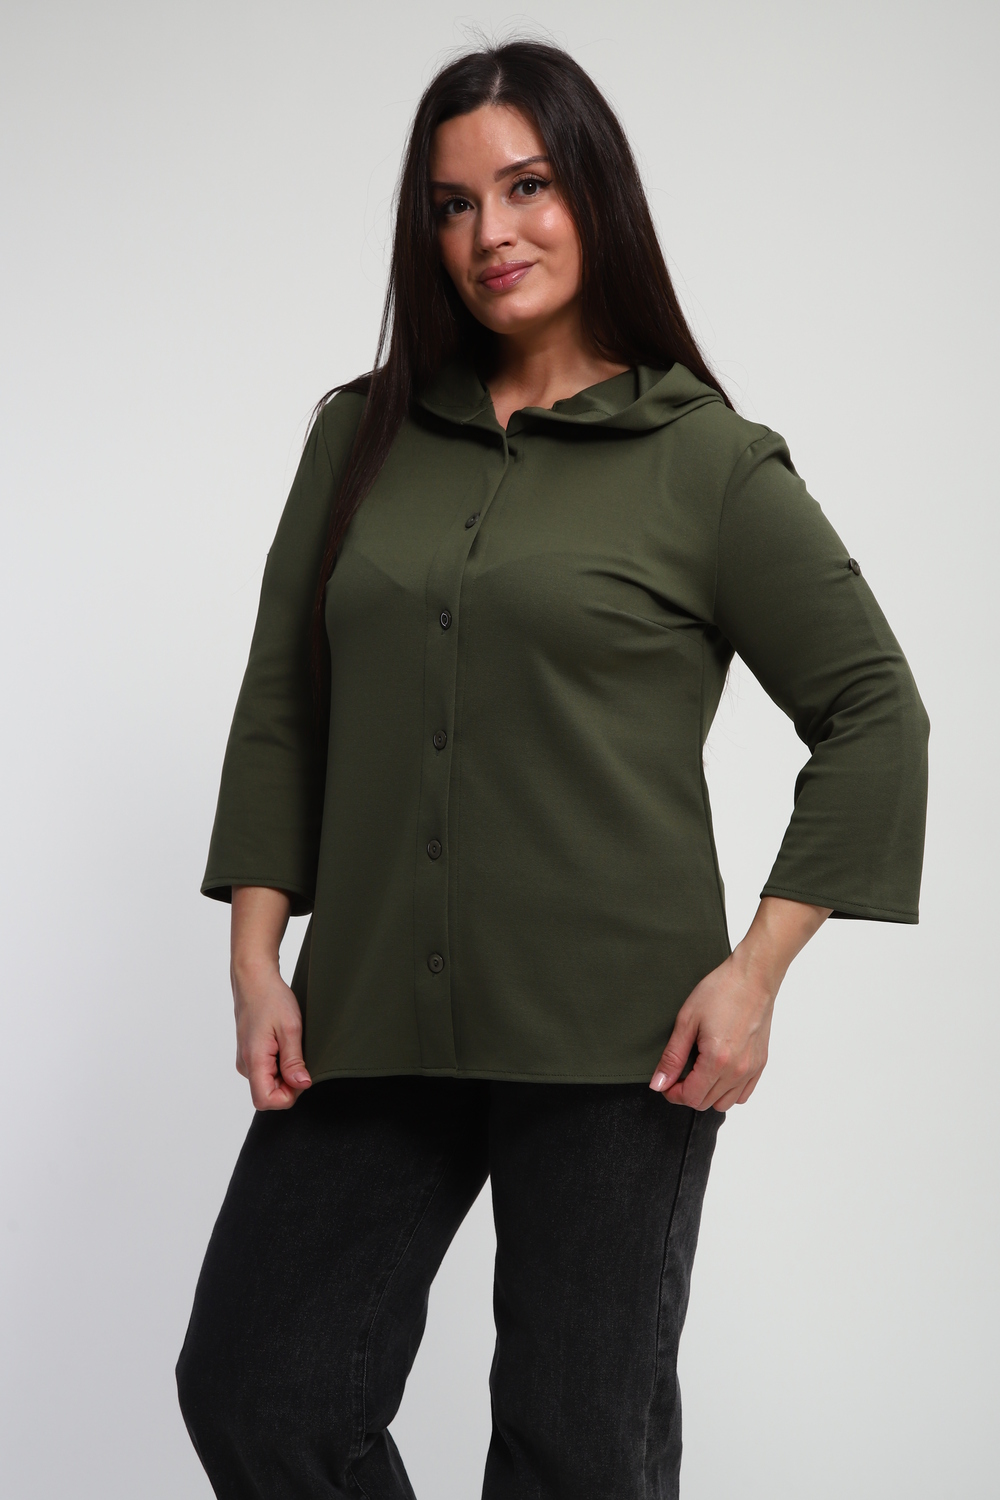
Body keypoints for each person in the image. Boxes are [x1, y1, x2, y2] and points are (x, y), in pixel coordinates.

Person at [175, 38, 929, 1500]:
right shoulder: (360, 437)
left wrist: (755, 975)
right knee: (260, 1388)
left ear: (594, 194)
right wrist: (257, 960)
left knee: (579, 1453)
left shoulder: (709, 461)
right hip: (371, 1011)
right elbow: (284, 705)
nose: (491, 234)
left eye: (526, 187)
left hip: (620, 1039)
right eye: (453, 204)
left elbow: (875, 713)